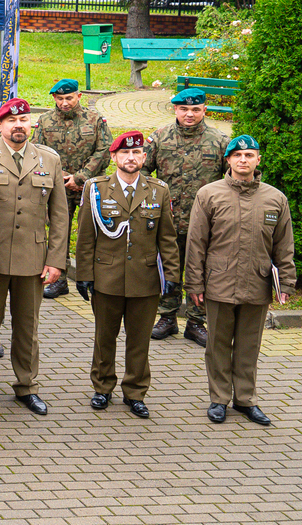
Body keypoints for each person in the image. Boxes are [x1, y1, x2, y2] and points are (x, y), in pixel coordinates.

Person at [0, 98, 67, 417]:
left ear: (31, 124)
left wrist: (56, 261)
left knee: (28, 327)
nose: (18, 124)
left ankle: (27, 386)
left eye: (24, 119)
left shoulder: (49, 159)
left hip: (32, 259)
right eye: (11, 120)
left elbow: (60, 214)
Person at [185, 135, 295, 426]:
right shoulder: (209, 194)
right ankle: (219, 399)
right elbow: (196, 243)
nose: (243, 160)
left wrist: (286, 282)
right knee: (218, 344)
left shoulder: (275, 198)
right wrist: (194, 284)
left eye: (249, 155)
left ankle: (246, 400)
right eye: (238, 155)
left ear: (258, 160)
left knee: (249, 345)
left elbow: (284, 245)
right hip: (218, 283)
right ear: (228, 160)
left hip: (257, 283)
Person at [74, 130, 178, 419]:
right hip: (106, 277)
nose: (130, 158)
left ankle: (135, 392)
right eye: (124, 153)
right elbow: (85, 236)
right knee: (104, 337)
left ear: (144, 157)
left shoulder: (158, 190)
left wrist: (171, 275)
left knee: (139, 340)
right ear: (113, 157)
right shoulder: (96, 188)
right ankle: (102, 387)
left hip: (145, 279)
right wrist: (84, 274)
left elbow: (167, 238)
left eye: (136, 153)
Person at [144, 88, 227, 346]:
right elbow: (142, 173)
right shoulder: (160, 137)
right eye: (183, 109)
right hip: (167, 219)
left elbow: (234, 178)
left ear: (205, 110)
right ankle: (167, 317)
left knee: (201, 272)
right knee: (169, 268)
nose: (189, 114)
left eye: (195, 109)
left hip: (204, 223)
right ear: (175, 110)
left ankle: (196, 322)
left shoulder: (220, 141)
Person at [34, 79, 113, 299]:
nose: (64, 103)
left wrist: (81, 177)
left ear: (78, 96)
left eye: (69, 98)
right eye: (60, 99)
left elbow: (104, 150)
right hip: (57, 186)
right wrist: (57, 176)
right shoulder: (45, 120)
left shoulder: (95, 119)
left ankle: (94, 278)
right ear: (54, 99)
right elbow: (37, 151)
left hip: (89, 186)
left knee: (91, 233)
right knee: (59, 233)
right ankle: (59, 280)